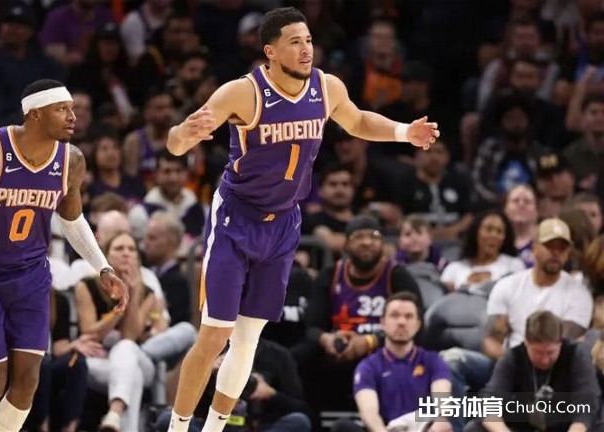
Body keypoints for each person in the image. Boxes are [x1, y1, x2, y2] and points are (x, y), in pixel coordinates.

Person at [164, 7, 439, 432]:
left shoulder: (327, 87)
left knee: (248, 338)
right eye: (295, 42)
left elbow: (358, 121)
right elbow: (175, 143)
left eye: (308, 40)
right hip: (237, 218)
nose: (307, 49)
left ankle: (215, 429)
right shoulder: (242, 93)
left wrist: (405, 132)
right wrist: (186, 133)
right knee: (215, 334)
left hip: (283, 224)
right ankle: (178, 427)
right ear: (270, 52)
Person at [0, 79, 129, 432]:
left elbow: (72, 219)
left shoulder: (71, 160)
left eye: (72, 109)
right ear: (35, 115)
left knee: (28, 381)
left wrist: (103, 267)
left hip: (31, 277)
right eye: (62, 109)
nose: (73, 117)